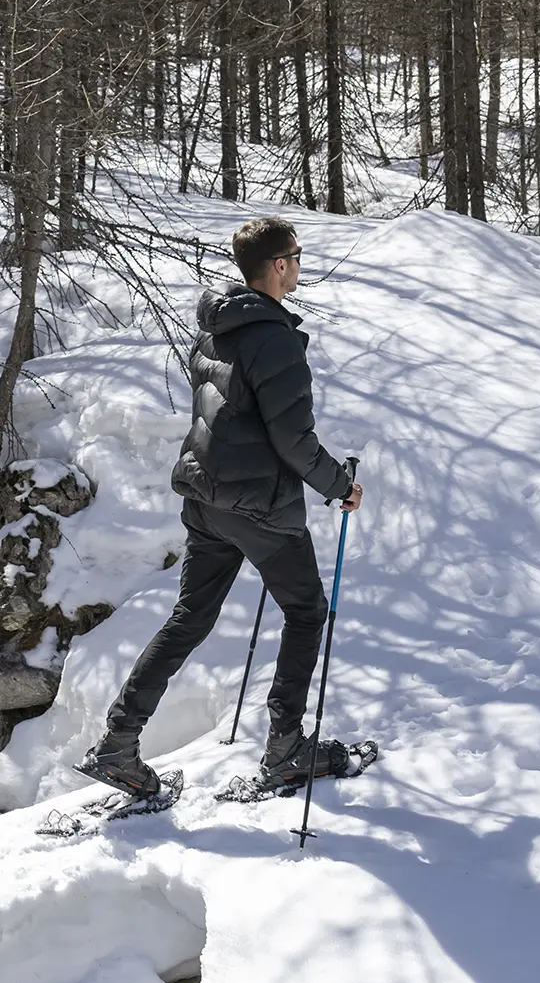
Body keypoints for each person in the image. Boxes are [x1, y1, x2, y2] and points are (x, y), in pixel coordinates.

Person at [79, 215, 362, 796]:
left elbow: (228, 418)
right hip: (258, 505)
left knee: (191, 618)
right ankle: (286, 749)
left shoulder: (215, 330)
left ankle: (117, 744)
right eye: (298, 255)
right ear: (279, 265)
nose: (300, 264)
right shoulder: (276, 339)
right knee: (306, 613)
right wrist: (340, 485)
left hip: (207, 496)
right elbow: (293, 440)